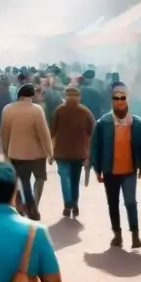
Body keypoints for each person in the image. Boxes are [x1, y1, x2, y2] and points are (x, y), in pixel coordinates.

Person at [89, 83, 141, 249]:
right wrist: (96, 168)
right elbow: (95, 147)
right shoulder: (103, 123)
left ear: (127, 100)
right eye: (116, 98)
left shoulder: (136, 123)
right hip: (110, 171)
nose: (119, 101)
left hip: (129, 170)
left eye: (122, 98)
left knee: (131, 202)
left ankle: (135, 235)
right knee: (113, 203)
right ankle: (117, 234)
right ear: (111, 101)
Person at [0, 83, 53, 221]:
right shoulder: (37, 110)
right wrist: (50, 152)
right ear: (32, 96)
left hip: (16, 152)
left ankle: (22, 204)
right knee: (40, 178)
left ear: (19, 95)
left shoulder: (8, 109)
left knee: (23, 181)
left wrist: (6, 150)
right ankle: (34, 205)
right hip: (37, 154)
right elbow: (44, 133)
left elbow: (4, 133)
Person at [49, 86, 95, 219]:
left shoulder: (59, 110)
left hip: (61, 152)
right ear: (79, 97)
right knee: (75, 180)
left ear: (65, 96)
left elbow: (52, 131)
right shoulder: (85, 111)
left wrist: (49, 152)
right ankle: (74, 203)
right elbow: (92, 132)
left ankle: (68, 203)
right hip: (79, 152)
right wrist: (89, 154)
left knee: (65, 177)